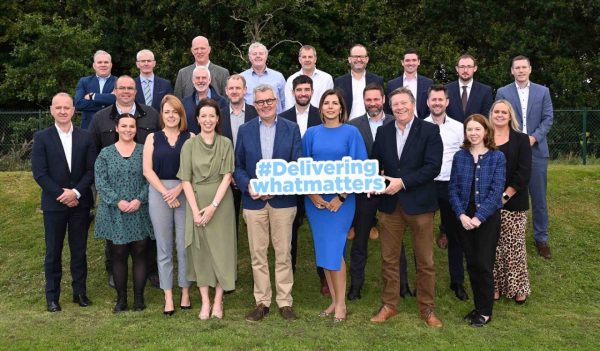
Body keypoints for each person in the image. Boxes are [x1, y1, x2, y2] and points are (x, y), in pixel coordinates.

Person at [370, 87, 443, 328]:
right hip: (390, 206)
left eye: (404, 103)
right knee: (389, 259)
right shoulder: (383, 131)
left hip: (420, 205)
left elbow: (433, 167)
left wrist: (403, 183)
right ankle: (389, 305)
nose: (399, 108)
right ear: (390, 107)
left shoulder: (430, 130)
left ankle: (427, 308)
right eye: (395, 104)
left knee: (425, 261)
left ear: (413, 105)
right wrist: (371, 181)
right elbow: (376, 163)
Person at [234, 84, 302, 322]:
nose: (265, 105)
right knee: (257, 254)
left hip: (283, 201)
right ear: (254, 104)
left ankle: (285, 302)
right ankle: (262, 302)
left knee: (283, 252)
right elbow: (238, 166)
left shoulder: (291, 129)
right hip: (253, 203)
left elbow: (296, 164)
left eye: (269, 101)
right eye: (260, 102)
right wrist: (249, 185)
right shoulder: (245, 130)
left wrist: (275, 188)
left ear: (276, 102)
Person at [89, 75, 160, 289]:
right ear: (115, 91)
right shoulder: (101, 117)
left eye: (130, 88)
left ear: (136, 91)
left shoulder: (151, 114)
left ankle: (151, 271)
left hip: (143, 185)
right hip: (114, 187)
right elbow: (93, 149)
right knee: (114, 239)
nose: (126, 91)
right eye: (122, 88)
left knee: (146, 236)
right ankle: (113, 270)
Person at [302, 89, 367, 322]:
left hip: (342, 201)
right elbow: (303, 166)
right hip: (316, 202)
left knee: (335, 249)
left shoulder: (352, 133)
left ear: (342, 108)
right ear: (321, 108)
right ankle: (333, 301)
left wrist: (341, 196)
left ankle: (341, 305)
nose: (330, 107)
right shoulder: (311, 134)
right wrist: (312, 195)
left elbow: (359, 167)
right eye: (326, 103)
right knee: (324, 252)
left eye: (334, 103)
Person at [32, 92, 96, 312]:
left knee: (79, 251)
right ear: (51, 110)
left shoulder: (86, 137)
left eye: (66, 107)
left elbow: (91, 170)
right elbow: (39, 173)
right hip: (54, 204)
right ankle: (52, 297)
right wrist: (62, 194)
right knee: (53, 252)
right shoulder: (42, 137)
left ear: (73, 110)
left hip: (80, 203)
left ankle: (80, 293)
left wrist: (76, 192)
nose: (62, 111)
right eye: (58, 107)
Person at [178, 99, 237, 320]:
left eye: (212, 115)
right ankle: (205, 301)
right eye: (203, 116)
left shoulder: (226, 143)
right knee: (200, 252)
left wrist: (213, 207)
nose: (208, 120)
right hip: (195, 201)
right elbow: (185, 179)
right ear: (197, 119)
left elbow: (227, 176)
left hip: (221, 204)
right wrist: (195, 211)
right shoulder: (189, 145)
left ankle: (219, 302)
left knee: (222, 250)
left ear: (218, 119)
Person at [449, 114, 506, 327]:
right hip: (464, 217)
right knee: (472, 263)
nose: (473, 133)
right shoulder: (460, 157)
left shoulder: (497, 157)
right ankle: (478, 306)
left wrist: (479, 218)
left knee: (483, 264)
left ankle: (485, 311)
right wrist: (461, 215)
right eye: (469, 130)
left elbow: (496, 191)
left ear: (486, 131)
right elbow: (453, 188)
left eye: (477, 129)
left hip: (487, 218)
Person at [94, 113, 154, 312]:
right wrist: (117, 201)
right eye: (124, 126)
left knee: (140, 254)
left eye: (132, 126)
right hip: (115, 212)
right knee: (118, 255)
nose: (128, 129)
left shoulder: (145, 151)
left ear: (136, 129)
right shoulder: (105, 153)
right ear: (117, 128)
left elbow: (152, 178)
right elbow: (101, 182)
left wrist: (139, 199)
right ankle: (121, 300)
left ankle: (138, 299)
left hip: (139, 210)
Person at [496, 55, 554, 259]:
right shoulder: (503, 92)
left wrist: (533, 138)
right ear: (512, 71)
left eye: (524, 67)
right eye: (516, 68)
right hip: (511, 150)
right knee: (508, 191)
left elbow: (548, 118)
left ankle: (541, 238)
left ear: (530, 69)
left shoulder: (543, 91)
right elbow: (499, 117)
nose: (520, 70)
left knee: (538, 197)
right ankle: (505, 233)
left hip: (536, 150)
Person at [143, 95, 192, 316]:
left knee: (183, 246)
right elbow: (147, 170)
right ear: (161, 115)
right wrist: (166, 193)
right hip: (159, 192)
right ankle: (168, 296)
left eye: (175, 111)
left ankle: (185, 292)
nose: (171, 116)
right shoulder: (152, 138)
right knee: (164, 247)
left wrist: (179, 189)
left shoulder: (191, 137)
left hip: (185, 191)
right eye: (167, 112)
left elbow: (194, 169)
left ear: (181, 114)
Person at [346, 83, 393, 301]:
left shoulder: (395, 122)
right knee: (360, 240)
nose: (372, 103)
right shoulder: (353, 126)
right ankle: (356, 286)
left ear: (383, 99)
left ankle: (401, 287)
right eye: (368, 100)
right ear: (363, 101)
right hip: (364, 192)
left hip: (391, 190)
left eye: (376, 99)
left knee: (395, 240)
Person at [424, 85, 467, 301]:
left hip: (451, 186)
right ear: (427, 102)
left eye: (441, 99)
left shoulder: (459, 128)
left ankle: (457, 282)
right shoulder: (419, 126)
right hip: (427, 186)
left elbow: (465, 156)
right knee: (422, 237)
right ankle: (424, 282)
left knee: (455, 236)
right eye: (433, 100)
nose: (437, 103)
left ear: (447, 102)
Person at [490, 100, 532, 304]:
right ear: (491, 114)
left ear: (510, 116)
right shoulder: (484, 138)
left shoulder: (521, 140)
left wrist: (504, 196)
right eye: (496, 111)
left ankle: (518, 287)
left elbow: (523, 173)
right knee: (493, 247)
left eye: (503, 112)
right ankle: (495, 286)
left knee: (514, 246)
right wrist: (491, 199)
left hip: (514, 202)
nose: (499, 115)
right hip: (488, 204)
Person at [279, 74, 322, 276]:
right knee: (291, 229)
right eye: (299, 90)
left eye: (306, 90)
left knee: (320, 229)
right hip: (292, 181)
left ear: (312, 92)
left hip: (317, 180)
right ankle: (290, 272)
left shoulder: (322, 115)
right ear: (293, 92)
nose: (303, 93)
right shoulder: (283, 117)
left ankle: (324, 275)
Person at [220, 74, 259, 233]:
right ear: (226, 91)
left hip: (250, 173)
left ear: (245, 90)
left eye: (238, 88)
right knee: (228, 220)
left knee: (255, 220)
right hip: (225, 174)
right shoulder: (218, 115)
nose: (234, 91)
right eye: (231, 88)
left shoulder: (256, 113)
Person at [334, 44, 384, 119]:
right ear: (349, 59)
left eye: (362, 56)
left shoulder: (377, 80)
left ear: (367, 59)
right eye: (355, 56)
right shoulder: (339, 82)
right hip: (347, 125)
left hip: (371, 124)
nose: (359, 59)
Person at [385, 49, 433, 118]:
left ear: (419, 62)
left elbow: (431, 106)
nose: (411, 63)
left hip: (422, 123)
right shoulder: (392, 84)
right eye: (407, 60)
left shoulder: (428, 83)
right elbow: (388, 108)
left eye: (414, 60)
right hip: (399, 123)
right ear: (402, 62)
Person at [74, 50, 116, 129]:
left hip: (112, 126)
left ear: (111, 65)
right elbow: (78, 104)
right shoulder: (84, 81)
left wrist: (93, 96)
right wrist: (107, 100)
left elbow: (118, 100)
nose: (103, 65)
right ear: (94, 65)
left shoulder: (119, 82)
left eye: (106, 62)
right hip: (88, 126)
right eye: (99, 62)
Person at [445, 54, 494, 123]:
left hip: (475, 132)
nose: (465, 70)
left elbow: (486, 117)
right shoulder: (446, 89)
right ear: (457, 69)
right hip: (451, 132)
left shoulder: (485, 91)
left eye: (469, 67)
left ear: (475, 68)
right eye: (462, 67)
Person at [240, 42, 286, 113]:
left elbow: (285, 103)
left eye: (261, 53)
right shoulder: (241, 78)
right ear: (249, 57)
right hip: (250, 121)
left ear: (266, 56)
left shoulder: (278, 77)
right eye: (254, 54)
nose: (258, 56)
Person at [284, 45, 333, 110]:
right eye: (304, 57)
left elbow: (329, 103)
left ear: (315, 59)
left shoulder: (326, 79)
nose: (307, 60)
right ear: (299, 60)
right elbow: (289, 106)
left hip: (320, 118)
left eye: (310, 57)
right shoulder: (291, 80)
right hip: (297, 119)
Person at [182, 66, 227, 134]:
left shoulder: (221, 102)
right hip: (191, 143)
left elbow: (224, 127)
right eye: (197, 78)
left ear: (209, 80)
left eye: (204, 78)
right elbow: (182, 126)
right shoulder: (184, 103)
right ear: (193, 80)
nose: (200, 81)